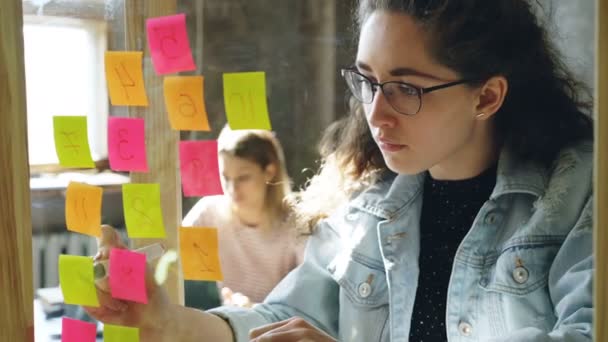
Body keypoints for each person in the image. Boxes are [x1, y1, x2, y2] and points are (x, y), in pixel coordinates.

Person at [85, 0, 595, 341]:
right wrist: (165, 318)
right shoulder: (373, 208)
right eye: (368, 81)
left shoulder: (578, 194)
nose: (375, 113)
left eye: (406, 87)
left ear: (486, 96)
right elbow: (280, 320)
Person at [181, 125, 304, 307]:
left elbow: (311, 295)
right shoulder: (211, 211)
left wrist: (253, 309)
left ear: (269, 172)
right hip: (226, 321)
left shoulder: (296, 221)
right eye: (226, 177)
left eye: (243, 177)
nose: (232, 189)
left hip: (278, 325)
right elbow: (171, 253)